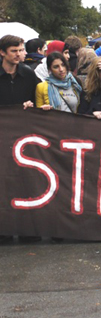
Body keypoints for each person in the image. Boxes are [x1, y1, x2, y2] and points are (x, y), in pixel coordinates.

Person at [0, 35, 40, 243]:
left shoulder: (29, 74)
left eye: (21, 50)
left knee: (25, 180)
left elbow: (41, 100)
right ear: (2, 53)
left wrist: (33, 105)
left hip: (24, 137)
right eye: (14, 50)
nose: (19, 54)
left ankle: (27, 229)